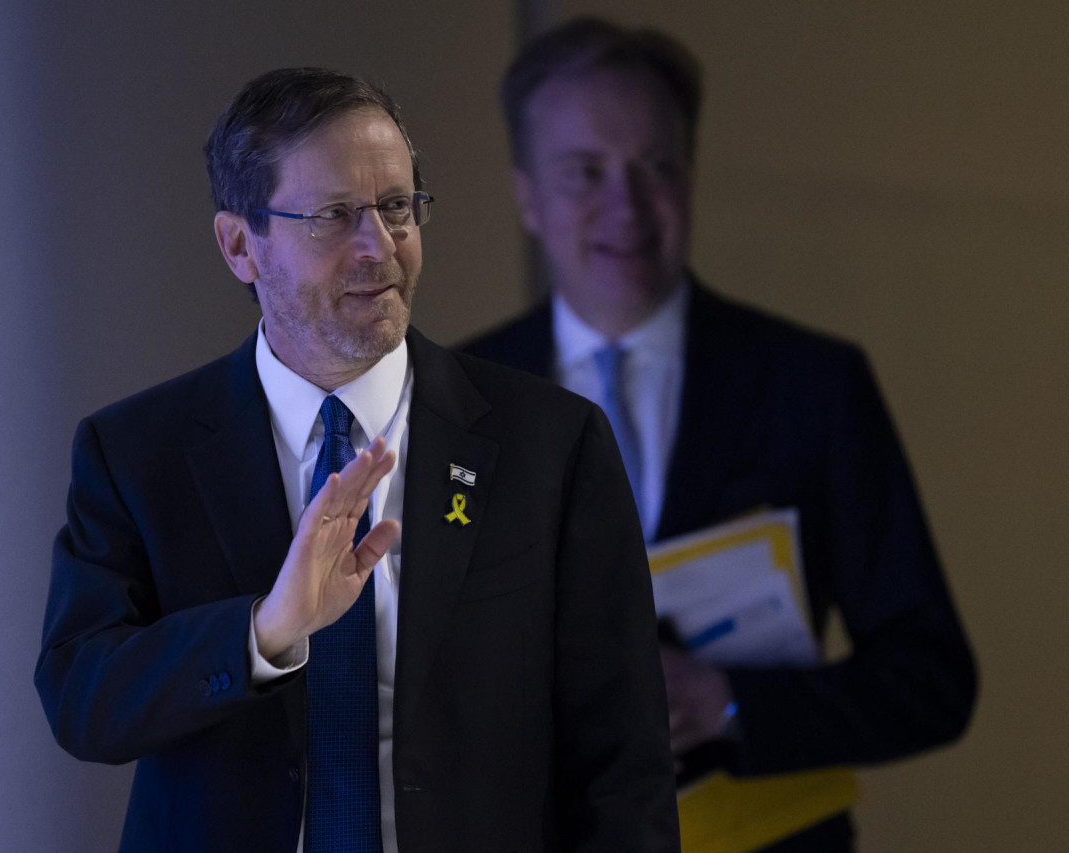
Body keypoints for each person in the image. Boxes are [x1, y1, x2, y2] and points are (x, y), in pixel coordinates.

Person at [34, 67, 679, 852]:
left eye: (397, 207)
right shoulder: (138, 451)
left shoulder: (552, 444)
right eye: (335, 216)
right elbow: (83, 701)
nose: (380, 247)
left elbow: (626, 763)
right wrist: (267, 631)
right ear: (241, 244)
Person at [460, 19, 976, 852]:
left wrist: (729, 699)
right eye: (585, 172)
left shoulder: (814, 384)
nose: (625, 206)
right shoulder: (454, 401)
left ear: (689, 177)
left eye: (655, 167)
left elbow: (933, 679)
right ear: (526, 194)